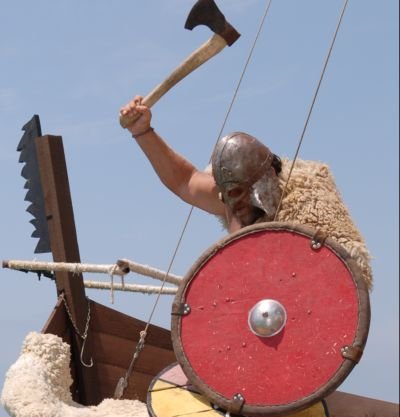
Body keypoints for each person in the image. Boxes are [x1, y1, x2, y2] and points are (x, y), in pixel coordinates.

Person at [120, 96, 373, 289]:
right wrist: (142, 131)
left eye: (240, 192)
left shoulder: (310, 201)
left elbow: (347, 272)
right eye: (229, 194)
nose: (235, 204)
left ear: (265, 180)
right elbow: (185, 181)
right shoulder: (229, 196)